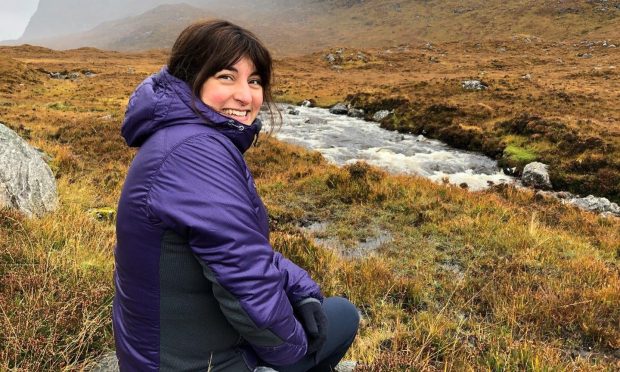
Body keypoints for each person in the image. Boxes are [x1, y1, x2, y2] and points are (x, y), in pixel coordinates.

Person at [113, 20, 359, 372]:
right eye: (226, 77)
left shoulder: (181, 137)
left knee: (319, 309)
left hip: (164, 352)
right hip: (196, 364)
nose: (246, 96)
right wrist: (295, 351)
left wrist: (302, 289)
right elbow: (245, 283)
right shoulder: (195, 152)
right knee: (343, 316)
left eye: (254, 80)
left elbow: (240, 249)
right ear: (191, 78)